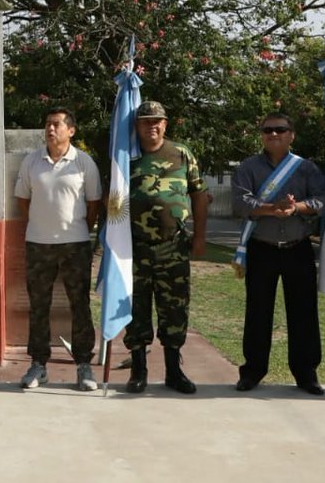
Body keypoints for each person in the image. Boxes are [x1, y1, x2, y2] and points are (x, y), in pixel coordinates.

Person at [232, 112, 325, 395]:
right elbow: (240, 202)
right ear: (261, 135)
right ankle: (253, 371)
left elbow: (322, 199)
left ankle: (306, 373)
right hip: (262, 249)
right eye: (268, 130)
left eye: (280, 130)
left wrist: (295, 207)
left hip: (298, 249)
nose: (273, 135)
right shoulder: (248, 167)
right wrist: (271, 208)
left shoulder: (307, 168)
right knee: (258, 312)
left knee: (304, 313)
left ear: (292, 135)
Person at [14, 108, 102, 391]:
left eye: (56, 124)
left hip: (75, 245)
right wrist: (42, 225)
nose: (50, 129)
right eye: (47, 124)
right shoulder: (31, 161)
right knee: (39, 306)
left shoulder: (84, 162)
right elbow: (23, 201)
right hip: (39, 245)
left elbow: (93, 206)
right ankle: (38, 365)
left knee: (80, 305)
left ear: (71, 131)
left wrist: (75, 229)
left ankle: (83, 365)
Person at [123, 101, 208, 394]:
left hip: (173, 247)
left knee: (174, 309)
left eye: (157, 121)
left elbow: (198, 195)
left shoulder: (181, 154)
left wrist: (199, 237)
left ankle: (174, 370)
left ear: (165, 124)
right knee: (136, 309)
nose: (152, 126)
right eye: (146, 121)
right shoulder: (126, 157)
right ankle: (138, 371)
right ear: (137, 126)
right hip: (134, 249)